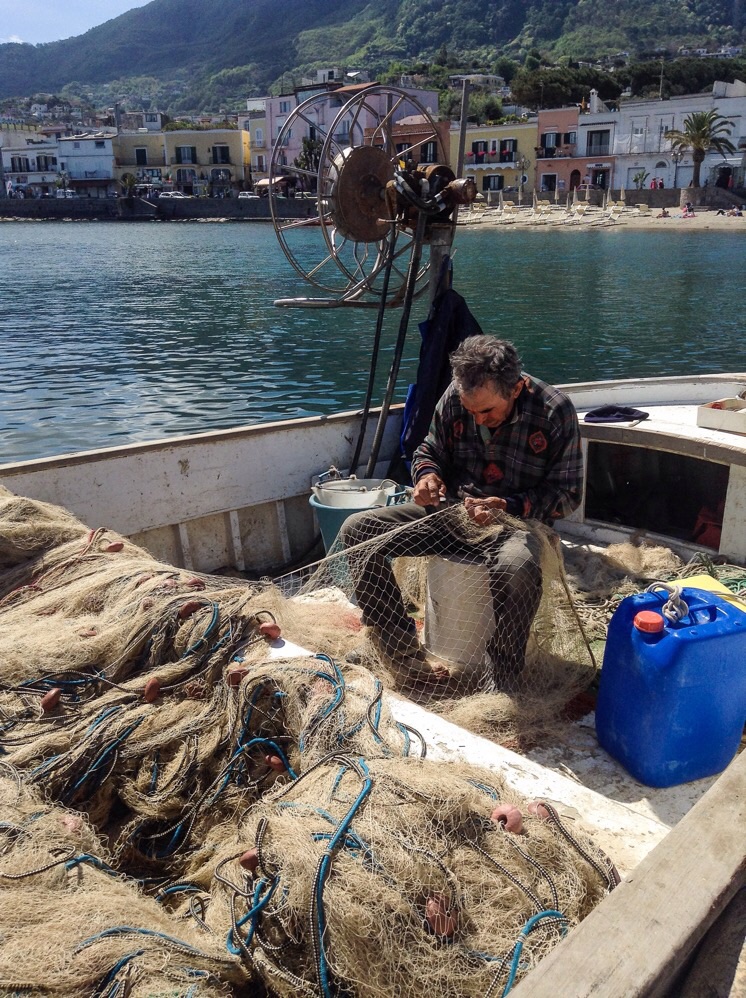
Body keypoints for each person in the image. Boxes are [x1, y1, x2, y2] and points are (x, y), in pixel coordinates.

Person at [340, 336, 583, 689]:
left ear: (515, 389)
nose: (479, 420)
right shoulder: (457, 395)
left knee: (517, 567)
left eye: (487, 411)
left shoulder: (554, 409)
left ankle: (502, 674)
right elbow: (429, 449)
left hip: (517, 524)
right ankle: (401, 651)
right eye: (471, 412)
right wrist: (427, 476)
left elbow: (567, 494)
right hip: (453, 514)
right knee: (359, 530)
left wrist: (508, 506)